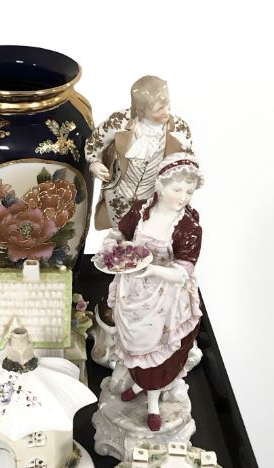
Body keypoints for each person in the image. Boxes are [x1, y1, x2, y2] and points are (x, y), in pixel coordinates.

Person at [104, 153, 203, 431]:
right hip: (132, 291)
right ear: (160, 185)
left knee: (157, 348)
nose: (183, 197)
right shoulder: (140, 211)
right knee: (133, 343)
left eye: (189, 191)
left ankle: (153, 402)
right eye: (177, 189)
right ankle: (138, 384)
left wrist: (153, 270)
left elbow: (183, 272)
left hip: (165, 296)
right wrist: (110, 246)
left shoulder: (188, 228)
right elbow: (119, 235)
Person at [85, 76, 193, 230]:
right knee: (121, 234)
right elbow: (94, 141)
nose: (166, 112)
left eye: (167, 105)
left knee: (146, 235)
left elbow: (188, 166)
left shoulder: (179, 130)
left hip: (154, 200)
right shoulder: (120, 121)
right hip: (118, 196)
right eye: (159, 109)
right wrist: (94, 162)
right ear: (141, 109)